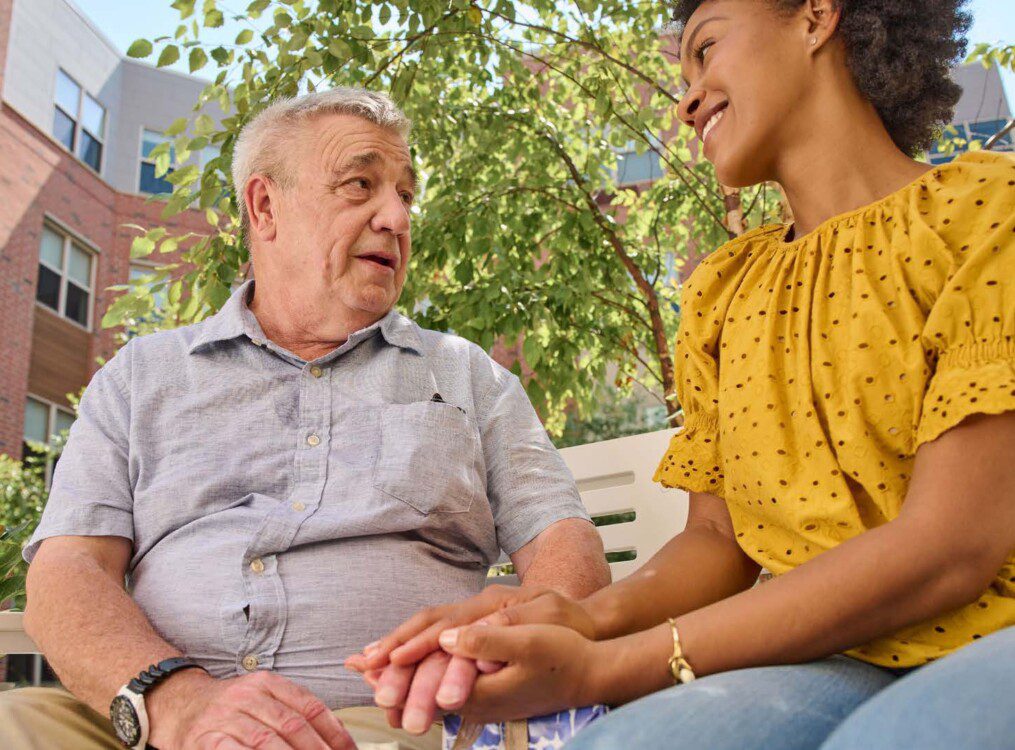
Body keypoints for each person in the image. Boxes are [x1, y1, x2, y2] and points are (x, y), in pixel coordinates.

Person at [349, 2, 1015, 747]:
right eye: (683, 73)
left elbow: (949, 549)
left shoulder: (986, 209)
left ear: (816, 16)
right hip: (826, 654)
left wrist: (608, 666)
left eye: (707, 49)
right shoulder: (724, 291)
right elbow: (715, 541)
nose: (687, 99)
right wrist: (578, 617)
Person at [0, 87, 610, 750]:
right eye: (360, 185)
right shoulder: (139, 378)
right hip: (160, 721)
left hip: (389, 719)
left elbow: (563, 549)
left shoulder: (469, 377)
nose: (397, 218)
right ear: (265, 206)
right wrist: (178, 701)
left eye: (405, 195)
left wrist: (491, 656)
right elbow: (66, 574)